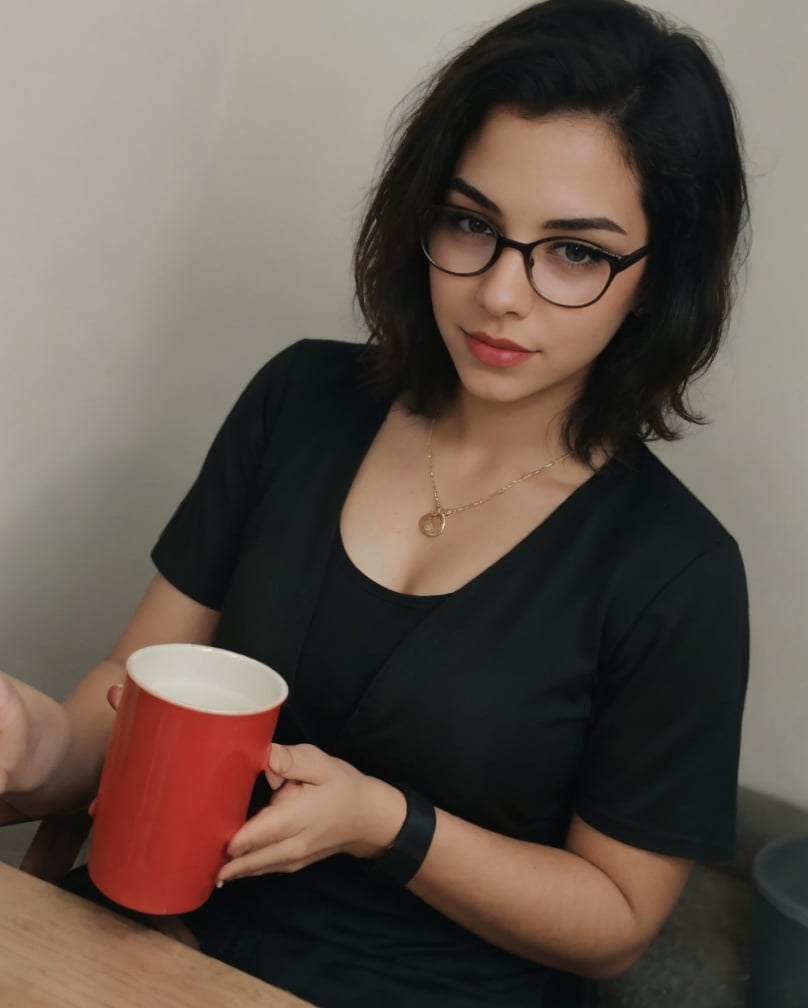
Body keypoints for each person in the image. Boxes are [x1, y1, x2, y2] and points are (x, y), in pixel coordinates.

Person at [0, 1, 749, 1005]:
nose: (499, 294)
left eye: (573, 251)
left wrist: (389, 825)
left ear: (658, 280)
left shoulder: (677, 572)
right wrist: (32, 741)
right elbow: (129, 694)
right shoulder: (299, 400)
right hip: (137, 942)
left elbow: (614, 922)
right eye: (471, 223)